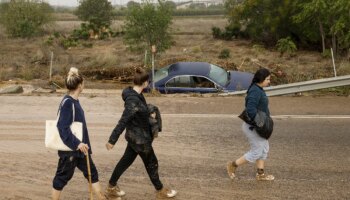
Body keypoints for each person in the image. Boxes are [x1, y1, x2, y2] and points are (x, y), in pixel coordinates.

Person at [105, 68, 177, 199]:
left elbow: (138, 112)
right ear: (144, 82)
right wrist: (112, 140)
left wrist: (149, 113)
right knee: (151, 163)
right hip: (140, 140)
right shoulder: (132, 100)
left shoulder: (135, 95)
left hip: (135, 138)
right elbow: (123, 120)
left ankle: (111, 187)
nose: (149, 83)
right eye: (148, 81)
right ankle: (160, 190)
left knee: (125, 162)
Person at [52, 67, 106, 200]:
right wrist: (77, 143)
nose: (84, 85)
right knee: (61, 178)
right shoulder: (68, 103)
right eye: (83, 83)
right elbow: (62, 127)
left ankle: (101, 198)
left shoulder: (74, 101)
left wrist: (82, 145)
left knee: (92, 174)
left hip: (82, 149)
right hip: (71, 150)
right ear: (80, 85)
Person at [227, 68, 275, 181]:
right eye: (268, 79)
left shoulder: (259, 88)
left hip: (257, 125)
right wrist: (260, 124)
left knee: (264, 149)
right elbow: (250, 109)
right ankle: (232, 165)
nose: (269, 81)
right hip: (254, 127)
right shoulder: (255, 91)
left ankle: (260, 174)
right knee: (256, 152)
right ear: (261, 79)